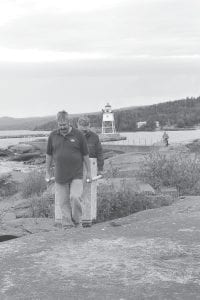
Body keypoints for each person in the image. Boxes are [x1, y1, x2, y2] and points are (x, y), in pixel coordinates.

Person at [45, 110, 92, 229]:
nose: (62, 127)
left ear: (69, 122)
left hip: (76, 174)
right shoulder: (53, 135)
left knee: (75, 197)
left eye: (64, 125)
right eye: (60, 125)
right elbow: (49, 155)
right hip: (60, 175)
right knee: (63, 202)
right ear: (57, 124)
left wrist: (89, 172)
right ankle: (67, 226)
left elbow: (85, 155)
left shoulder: (78, 135)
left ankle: (77, 222)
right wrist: (47, 171)